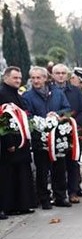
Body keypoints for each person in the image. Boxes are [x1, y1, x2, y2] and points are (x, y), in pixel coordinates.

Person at [22, 66, 72, 208]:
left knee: (60, 168)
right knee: (42, 170)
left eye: (38, 77)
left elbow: (68, 110)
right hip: (40, 139)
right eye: (33, 78)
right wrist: (42, 120)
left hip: (58, 138)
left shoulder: (57, 93)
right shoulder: (27, 96)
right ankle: (44, 198)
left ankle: (60, 196)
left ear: (45, 78)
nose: (36, 81)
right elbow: (27, 115)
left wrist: (57, 115)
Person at [0, 66, 37, 215]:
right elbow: (2, 119)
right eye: (15, 78)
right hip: (9, 144)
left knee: (21, 174)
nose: (18, 81)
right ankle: (5, 207)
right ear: (6, 78)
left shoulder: (18, 96)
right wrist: (8, 142)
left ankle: (21, 205)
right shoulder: (2, 94)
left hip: (21, 143)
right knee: (7, 176)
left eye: (20, 78)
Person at [51, 63, 82, 202]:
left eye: (63, 73)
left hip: (73, 132)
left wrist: (74, 125)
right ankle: (58, 194)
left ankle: (73, 191)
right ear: (53, 75)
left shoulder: (75, 91)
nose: (60, 75)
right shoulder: (49, 91)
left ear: (67, 75)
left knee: (73, 162)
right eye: (57, 73)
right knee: (57, 164)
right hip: (55, 133)